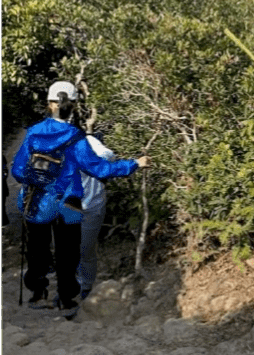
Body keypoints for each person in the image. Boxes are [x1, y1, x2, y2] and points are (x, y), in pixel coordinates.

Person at [11, 80, 151, 316]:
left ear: (49, 104)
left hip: (37, 201)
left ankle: (38, 293)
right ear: (73, 106)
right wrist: (134, 164)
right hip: (69, 202)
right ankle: (67, 301)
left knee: (37, 249)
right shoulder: (76, 138)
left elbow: (17, 170)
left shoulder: (33, 134)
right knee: (68, 253)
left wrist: (37, 178)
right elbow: (100, 169)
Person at [77, 132, 116, 299]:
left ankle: (85, 285)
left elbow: (108, 155)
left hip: (91, 206)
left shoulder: (88, 141)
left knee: (85, 248)